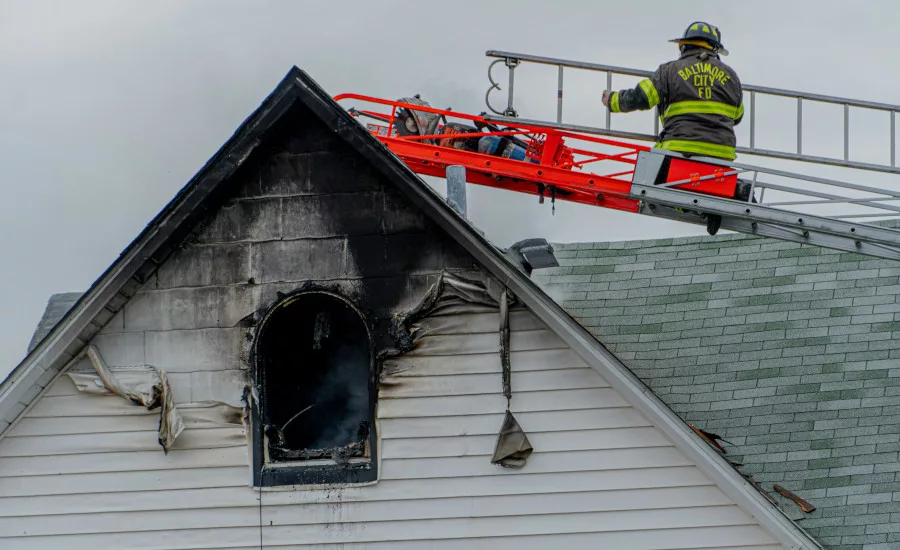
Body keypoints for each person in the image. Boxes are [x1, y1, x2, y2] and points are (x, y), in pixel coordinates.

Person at [602, 22, 747, 234]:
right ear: (714, 50)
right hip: (721, 156)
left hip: (680, 151)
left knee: (652, 186)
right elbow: (738, 116)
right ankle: (728, 194)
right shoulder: (732, 77)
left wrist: (613, 101)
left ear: (683, 46)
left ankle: (702, 209)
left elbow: (641, 97)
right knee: (698, 182)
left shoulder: (669, 71)